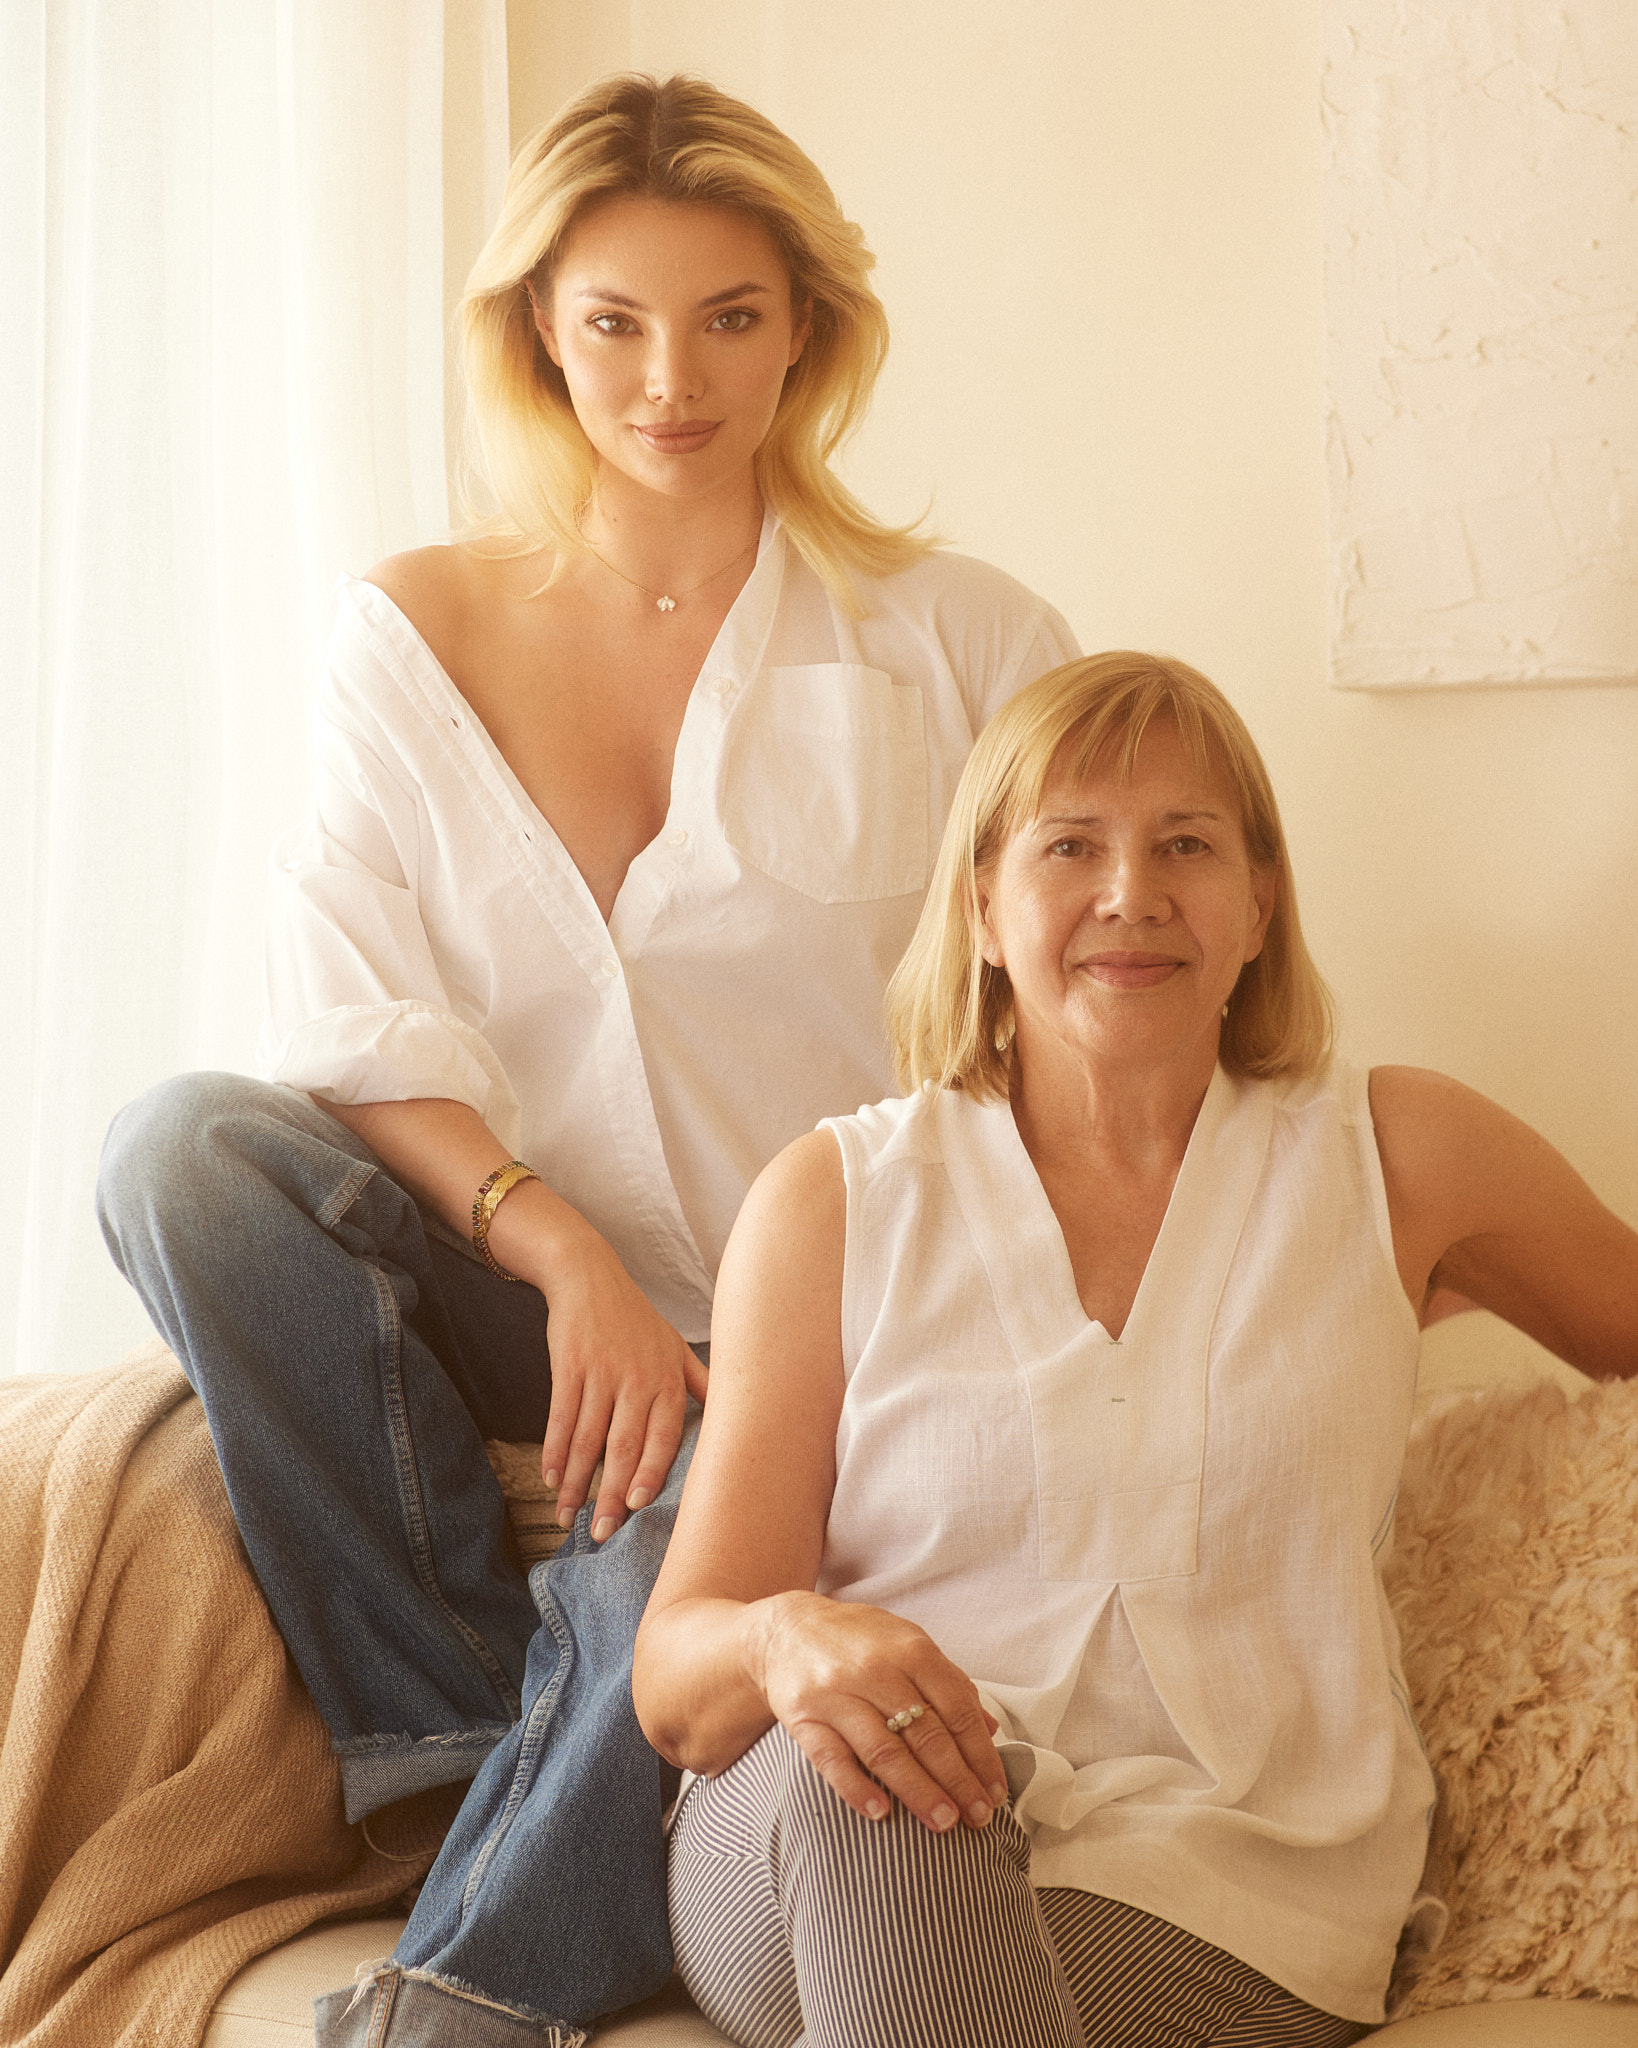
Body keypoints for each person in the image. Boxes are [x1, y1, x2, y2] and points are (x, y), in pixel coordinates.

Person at [93, 73, 1075, 2048]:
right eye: (613, 317)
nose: (670, 376)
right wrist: (563, 1256)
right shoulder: (410, 632)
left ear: (804, 325)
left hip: (833, 1333)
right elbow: (347, 1013)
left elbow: (1045, 1039)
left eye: (728, 314)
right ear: (538, 323)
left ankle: (456, 1986)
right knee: (179, 1148)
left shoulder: (963, 642)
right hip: (538, 1298)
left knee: (684, 1524)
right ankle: (465, 1712)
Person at [633, 649, 1638, 2048]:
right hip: (805, 1845)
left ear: (1258, 901)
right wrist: (788, 1637)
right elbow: (675, 1683)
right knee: (886, 1771)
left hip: (1229, 1887)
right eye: (1068, 847)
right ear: (982, 904)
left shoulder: (1395, 1157)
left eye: (1185, 845)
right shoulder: (830, 1202)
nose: (1130, 894)